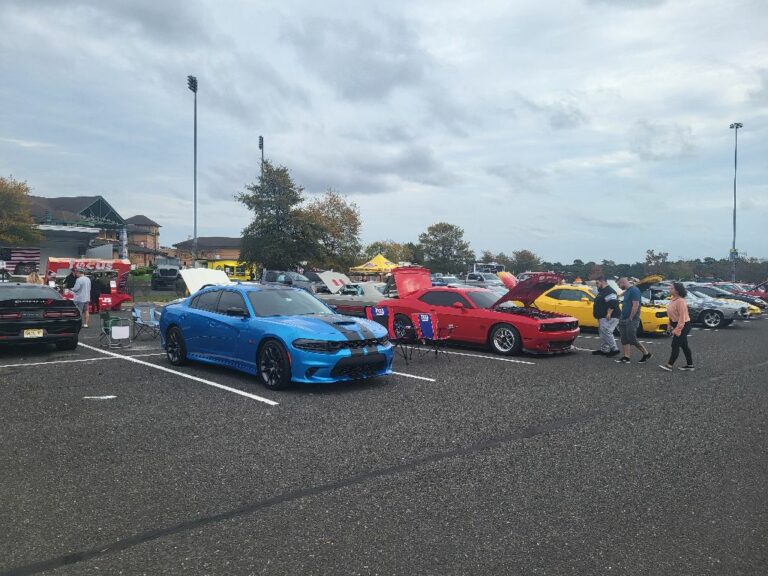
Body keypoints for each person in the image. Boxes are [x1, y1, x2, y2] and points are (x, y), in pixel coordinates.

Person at [615, 277, 652, 364]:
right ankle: (626, 357)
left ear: (623, 282)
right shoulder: (627, 291)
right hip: (623, 317)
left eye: (619, 284)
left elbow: (636, 305)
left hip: (631, 319)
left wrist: (631, 317)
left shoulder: (634, 290)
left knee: (632, 338)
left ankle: (646, 353)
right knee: (624, 338)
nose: (619, 286)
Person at [659, 283, 694, 371]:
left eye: (671, 288)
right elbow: (671, 315)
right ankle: (690, 365)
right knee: (684, 346)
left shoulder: (680, 301)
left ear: (677, 290)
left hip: (683, 325)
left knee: (675, 345)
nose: (669, 289)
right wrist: (669, 325)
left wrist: (678, 329)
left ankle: (669, 365)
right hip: (676, 324)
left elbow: (682, 317)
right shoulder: (673, 299)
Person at [592, 276, 620, 357]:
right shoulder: (602, 291)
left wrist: (609, 313)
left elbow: (613, 303)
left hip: (610, 316)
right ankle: (604, 349)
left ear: (603, 282)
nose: (596, 285)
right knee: (603, 333)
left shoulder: (609, 291)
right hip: (602, 317)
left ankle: (614, 349)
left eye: (597, 283)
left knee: (606, 332)